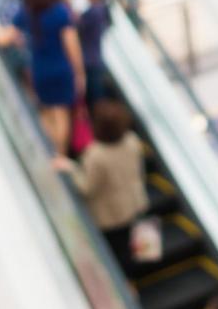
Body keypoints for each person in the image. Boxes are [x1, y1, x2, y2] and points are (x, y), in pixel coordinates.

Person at [53, 99, 148, 273]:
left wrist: (71, 167)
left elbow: (86, 187)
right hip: (134, 202)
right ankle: (141, 267)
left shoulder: (96, 155)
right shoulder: (132, 141)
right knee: (134, 243)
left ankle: (126, 276)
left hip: (110, 216)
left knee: (116, 252)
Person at [15, 0, 84, 154]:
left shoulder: (27, 11)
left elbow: (9, 35)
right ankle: (60, 154)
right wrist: (79, 73)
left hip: (39, 69)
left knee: (46, 111)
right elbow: (72, 46)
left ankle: (50, 151)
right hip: (61, 68)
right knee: (61, 113)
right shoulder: (60, 11)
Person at [79, 0, 113, 105]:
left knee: (94, 100)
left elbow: (76, 27)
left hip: (88, 60)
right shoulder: (103, 9)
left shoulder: (93, 12)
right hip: (96, 58)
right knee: (97, 97)